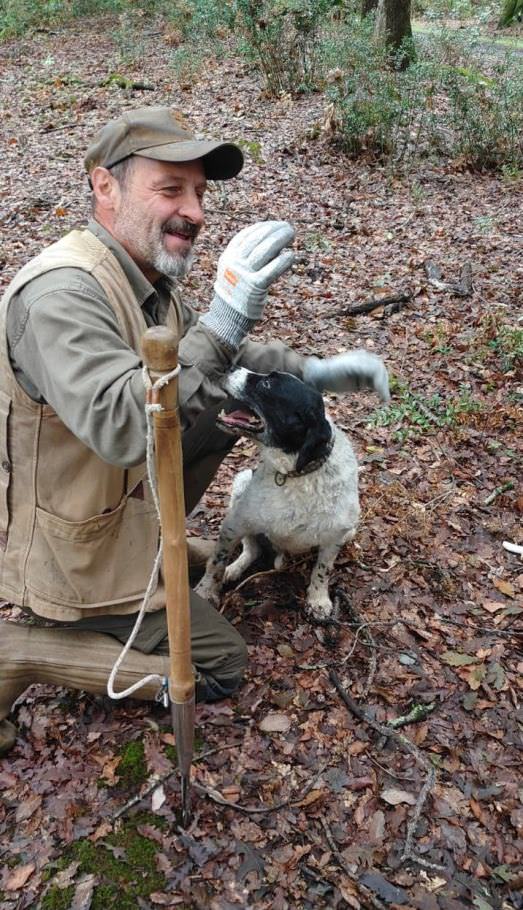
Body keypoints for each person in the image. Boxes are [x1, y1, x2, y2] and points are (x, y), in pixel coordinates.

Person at [0, 107, 389, 756]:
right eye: (170, 189)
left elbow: (220, 363)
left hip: (122, 503)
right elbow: (127, 425)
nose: (196, 212)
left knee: (228, 406)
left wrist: (315, 373)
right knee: (219, 666)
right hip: (75, 556)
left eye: (200, 193)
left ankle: (168, 551)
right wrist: (225, 313)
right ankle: (23, 650)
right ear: (106, 187)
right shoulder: (60, 295)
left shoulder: (142, 279)